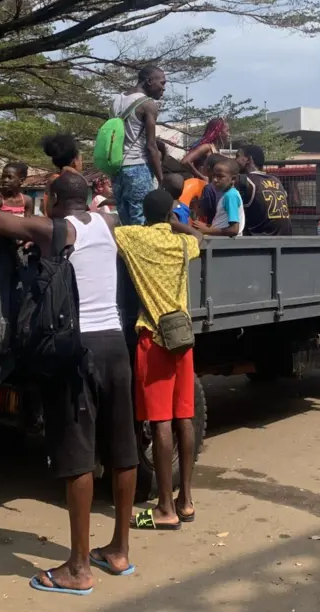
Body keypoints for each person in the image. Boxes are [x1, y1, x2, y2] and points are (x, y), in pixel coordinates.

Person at [0, 172, 137, 594]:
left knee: (78, 455)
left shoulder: (54, 228)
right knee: (123, 449)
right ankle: (119, 550)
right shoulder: (107, 223)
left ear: (50, 198)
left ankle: (78, 567)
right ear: (86, 199)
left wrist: (30, 221)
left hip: (76, 349)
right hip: (115, 345)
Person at [114, 188, 203, 530]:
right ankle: (187, 502)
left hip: (153, 337)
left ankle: (164, 509)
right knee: (184, 417)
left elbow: (110, 228)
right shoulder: (183, 244)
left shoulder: (134, 237)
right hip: (183, 339)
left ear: (142, 212)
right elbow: (198, 236)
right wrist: (178, 224)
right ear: (171, 213)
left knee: (161, 421)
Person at [110, 66, 165, 226]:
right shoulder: (148, 105)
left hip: (116, 169)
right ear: (149, 81)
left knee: (125, 222)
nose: (164, 87)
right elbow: (151, 146)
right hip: (137, 167)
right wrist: (161, 180)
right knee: (141, 222)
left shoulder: (117, 100)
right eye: (162, 82)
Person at [234, 145, 292, 237]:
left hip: (259, 243)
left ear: (249, 159)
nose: (235, 160)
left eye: (238, 156)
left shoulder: (244, 181)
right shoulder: (276, 180)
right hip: (285, 239)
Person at [193, 158, 244, 237]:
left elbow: (234, 230)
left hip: (223, 246)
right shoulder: (227, 194)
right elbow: (222, 224)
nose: (215, 180)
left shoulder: (230, 196)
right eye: (214, 176)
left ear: (233, 179)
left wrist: (207, 230)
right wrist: (207, 226)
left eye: (220, 176)